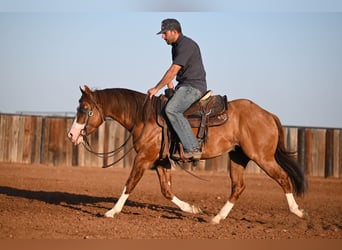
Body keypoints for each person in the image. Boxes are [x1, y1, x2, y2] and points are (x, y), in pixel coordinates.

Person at [147, 18, 207, 160]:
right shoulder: (176, 47)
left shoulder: (186, 45)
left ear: (175, 32)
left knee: (171, 110)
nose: (163, 37)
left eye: (165, 33)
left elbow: (174, 70)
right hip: (184, 85)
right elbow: (178, 71)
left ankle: (192, 148)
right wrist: (170, 85)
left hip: (193, 87)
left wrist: (156, 88)